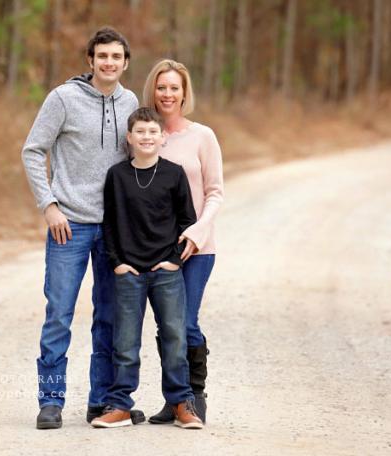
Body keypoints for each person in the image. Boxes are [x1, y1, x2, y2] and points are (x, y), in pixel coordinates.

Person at [21, 27, 141, 429]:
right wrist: (49, 205)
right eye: (101, 56)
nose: (109, 62)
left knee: (109, 317)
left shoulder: (131, 103)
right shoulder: (63, 99)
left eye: (116, 57)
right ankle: (50, 400)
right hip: (68, 225)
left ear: (125, 63)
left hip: (114, 229)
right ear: (90, 61)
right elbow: (33, 150)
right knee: (59, 314)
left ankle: (102, 402)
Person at [91, 107, 203, 429]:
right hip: (130, 273)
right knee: (125, 342)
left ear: (162, 137)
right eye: (140, 132)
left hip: (166, 271)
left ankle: (182, 403)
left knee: (174, 337)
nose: (146, 137)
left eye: (152, 132)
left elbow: (187, 221)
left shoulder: (173, 173)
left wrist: (175, 261)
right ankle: (121, 405)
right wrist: (118, 263)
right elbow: (109, 224)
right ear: (129, 137)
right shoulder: (118, 176)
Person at [141, 59, 224, 424]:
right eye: (162, 87)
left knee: (185, 322)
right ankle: (174, 399)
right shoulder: (145, 134)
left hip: (198, 248)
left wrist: (198, 230)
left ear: (184, 92)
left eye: (174, 88)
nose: (168, 94)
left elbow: (215, 192)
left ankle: (195, 395)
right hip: (159, 249)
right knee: (166, 326)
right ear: (153, 91)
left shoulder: (202, 136)